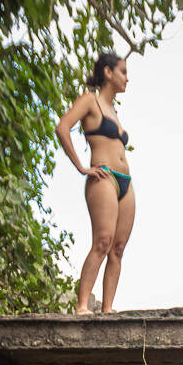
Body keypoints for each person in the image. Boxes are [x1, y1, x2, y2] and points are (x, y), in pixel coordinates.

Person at [54, 53, 135, 314]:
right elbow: (62, 127)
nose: (127, 77)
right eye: (123, 71)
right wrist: (81, 167)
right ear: (108, 72)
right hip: (103, 178)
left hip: (126, 182)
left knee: (118, 249)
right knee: (102, 241)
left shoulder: (113, 110)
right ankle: (81, 306)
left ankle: (108, 308)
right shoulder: (91, 101)